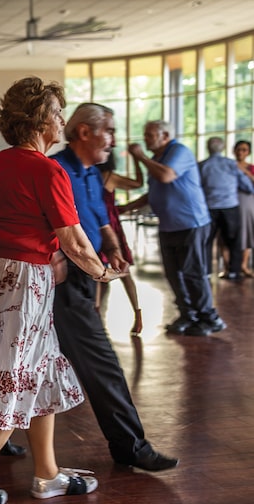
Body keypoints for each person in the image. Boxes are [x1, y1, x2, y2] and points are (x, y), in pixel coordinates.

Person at [0, 78, 114, 504]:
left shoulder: (0, 162)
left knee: (36, 371)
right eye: (56, 113)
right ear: (38, 120)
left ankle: (47, 474)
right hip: (23, 283)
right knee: (12, 379)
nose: (60, 121)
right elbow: (72, 240)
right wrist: (104, 273)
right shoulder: (48, 169)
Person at [52, 103, 179, 473]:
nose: (114, 139)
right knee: (102, 363)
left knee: (22, 363)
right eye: (109, 130)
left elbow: (99, 217)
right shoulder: (56, 170)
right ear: (85, 132)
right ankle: (130, 446)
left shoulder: (93, 173)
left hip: (83, 274)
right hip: (62, 281)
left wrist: (111, 246)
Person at [124, 120, 226, 336]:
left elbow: (166, 176)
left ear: (165, 135)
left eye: (150, 135)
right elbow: (152, 193)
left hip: (191, 223)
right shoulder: (156, 159)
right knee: (173, 274)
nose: (146, 139)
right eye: (145, 135)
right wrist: (125, 208)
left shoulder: (179, 151)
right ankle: (188, 314)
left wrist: (140, 157)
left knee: (193, 273)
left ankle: (209, 317)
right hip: (169, 226)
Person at [96, 150, 144, 334]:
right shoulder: (110, 177)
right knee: (125, 273)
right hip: (111, 228)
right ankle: (137, 314)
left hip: (95, 226)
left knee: (96, 273)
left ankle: (97, 316)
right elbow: (139, 183)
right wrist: (137, 159)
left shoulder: (87, 176)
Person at [199, 136, 254, 280]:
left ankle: (207, 271)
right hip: (230, 207)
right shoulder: (231, 164)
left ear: (207, 148)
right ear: (223, 149)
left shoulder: (202, 165)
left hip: (209, 208)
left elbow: (196, 187)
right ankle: (234, 271)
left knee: (207, 240)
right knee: (233, 240)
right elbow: (246, 185)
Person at [234, 140, 254, 276]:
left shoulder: (250, 168)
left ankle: (244, 264)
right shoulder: (229, 165)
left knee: (247, 232)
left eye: (244, 150)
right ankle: (230, 265)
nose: (241, 152)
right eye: (239, 149)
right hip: (231, 201)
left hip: (247, 202)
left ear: (248, 152)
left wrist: (246, 173)